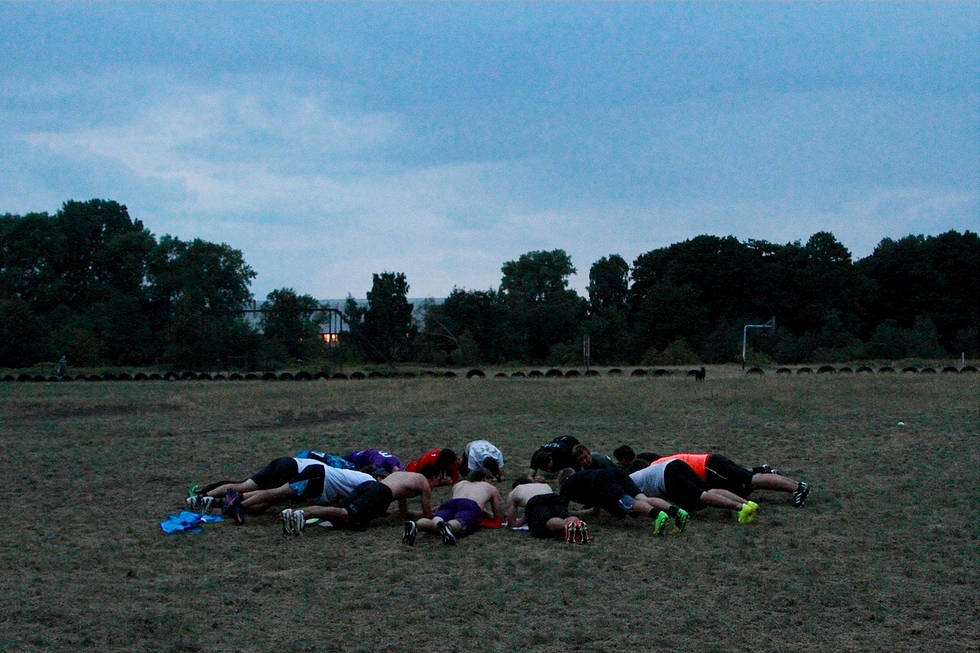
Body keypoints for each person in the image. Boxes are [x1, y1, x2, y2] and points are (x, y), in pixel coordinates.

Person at [280, 470, 436, 535]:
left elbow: (403, 513)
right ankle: (303, 515)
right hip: (381, 493)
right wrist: (435, 514)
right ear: (432, 477)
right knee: (345, 515)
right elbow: (427, 516)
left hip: (370, 485)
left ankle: (293, 513)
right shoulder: (423, 482)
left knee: (337, 513)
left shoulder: (404, 475)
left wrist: (412, 513)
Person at [185, 455, 332, 518]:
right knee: (258, 506)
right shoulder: (339, 471)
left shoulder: (331, 462)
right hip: (292, 470)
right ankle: (224, 504)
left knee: (243, 485)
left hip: (288, 461)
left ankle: (200, 498)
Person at [230, 463, 375, 524]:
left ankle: (237, 498)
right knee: (280, 492)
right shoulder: (370, 482)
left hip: (320, 481)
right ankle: (239, 505)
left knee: (279, 495)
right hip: (319, 476)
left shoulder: (363, 479)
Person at [559, 468, 689, 535]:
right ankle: (677, 512)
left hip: (602, 481)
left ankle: (657, 515)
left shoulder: (566, 485)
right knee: (642, 498)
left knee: (629, 503)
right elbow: (595, 511)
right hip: (614, 473)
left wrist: (569, 514)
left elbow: (561, 511)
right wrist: (576, 513)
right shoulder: (582, 478)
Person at [653, 452, 811, 507]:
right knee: (744, 486)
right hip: (711, 464)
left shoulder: (654, 467)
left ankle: (798, 488)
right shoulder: (659, 462)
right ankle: (767, 472)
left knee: (751, 480)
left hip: (709, 467)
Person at [629, 458, 759, 524]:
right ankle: (747, 503)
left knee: (702, 496)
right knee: (709, 490)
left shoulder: (628, 482)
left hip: (667, 475)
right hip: (675, 464)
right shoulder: (638, 476)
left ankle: (740, 508)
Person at [402, 468, 503, 546]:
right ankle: (449, 527)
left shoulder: (460, 484)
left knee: (436, 522)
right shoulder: (490, 488)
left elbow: (450, 501)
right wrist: (487, 514)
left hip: (451, 504)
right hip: (470, 505)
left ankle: (416, 525)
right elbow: (497, 517)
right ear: (484, 479)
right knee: (460, 522)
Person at [505, 478, 590, 543]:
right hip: (554, 498)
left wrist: (521, 520)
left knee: (546, 522)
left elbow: (511, 521)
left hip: (535, 501)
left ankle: (565, 526)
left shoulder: (515, 491)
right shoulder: (543, 485)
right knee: (563, 517)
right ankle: (575, 523)